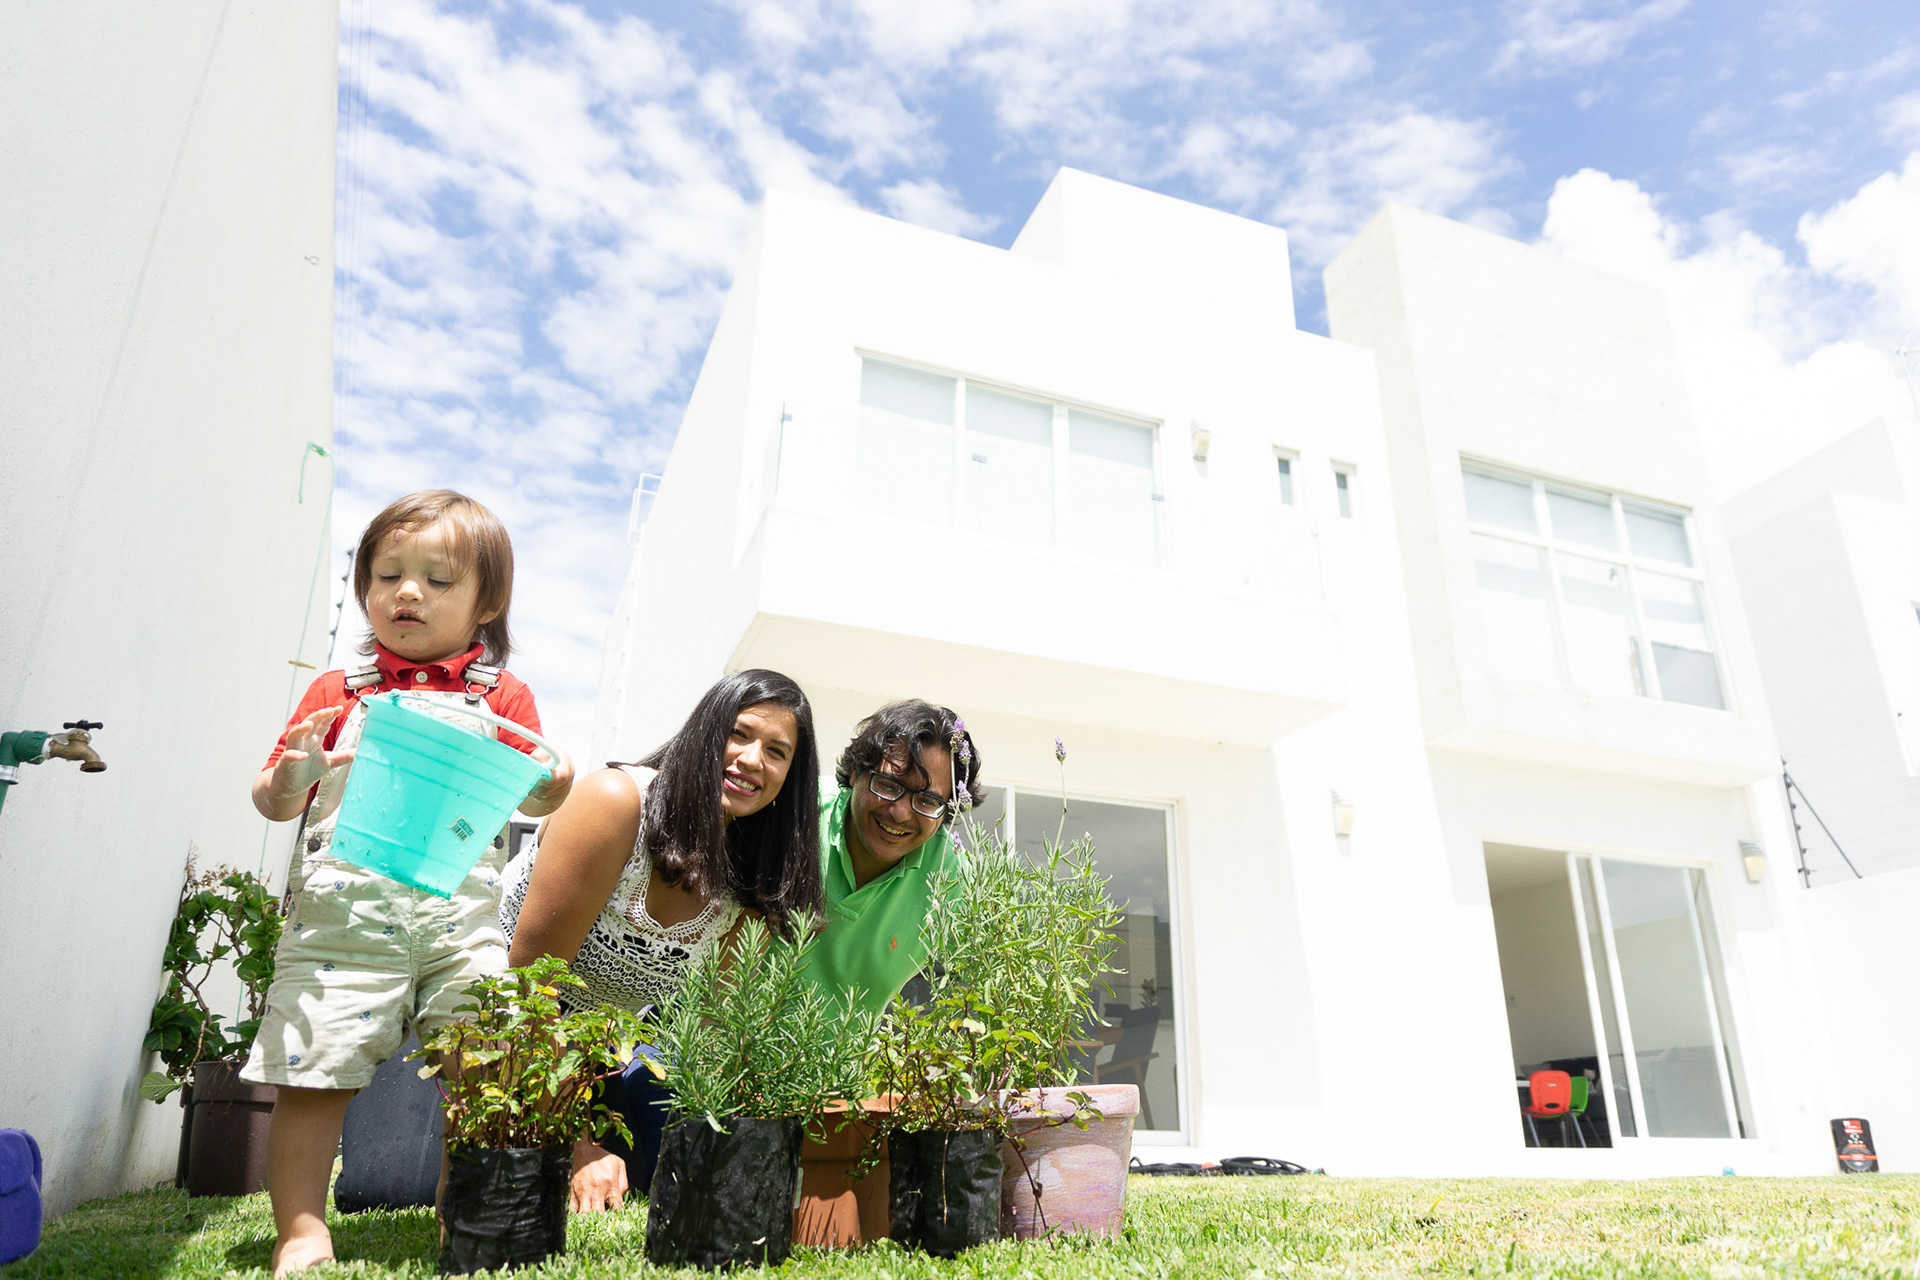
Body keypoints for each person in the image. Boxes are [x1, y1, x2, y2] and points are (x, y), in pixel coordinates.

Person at [242, 490, 573, 1277]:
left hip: (463, 927)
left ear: (485, 603)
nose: (407, 592)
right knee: (315, 1075)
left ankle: (462, 1219)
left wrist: (556, 779)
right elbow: (273, 798)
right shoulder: (338, 691)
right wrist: (293, 776)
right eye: (387, 574)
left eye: (437, 578)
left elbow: (536, 794)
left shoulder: (502, 698)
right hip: (342, 924)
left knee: (486, 1067)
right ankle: (301, 1231)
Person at [500, 669, 823, 1212]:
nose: (751, 760)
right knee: (394, 1185)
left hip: (592, 1053)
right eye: (738, 734)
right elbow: (524, 984)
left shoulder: (753, 884)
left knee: (651, 1174)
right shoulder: (616, 803)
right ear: (703, 734)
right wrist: (573, 1145)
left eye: (776, 751)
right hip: (487, 1020)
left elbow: (714, 1031)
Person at [802, 700, 985, 1016]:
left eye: (927, 800)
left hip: (846, 1064)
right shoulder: (797, 815)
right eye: (888, 785)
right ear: (856, 772)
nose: (900, 813)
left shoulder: (952, 877)